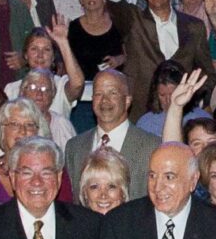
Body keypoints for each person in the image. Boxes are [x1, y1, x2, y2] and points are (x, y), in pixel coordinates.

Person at [64, 69, 159, 198]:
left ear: (127, 101)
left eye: (112, 93)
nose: (104, 100)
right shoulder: (74, 147)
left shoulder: (151, 146)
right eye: (98, 94)